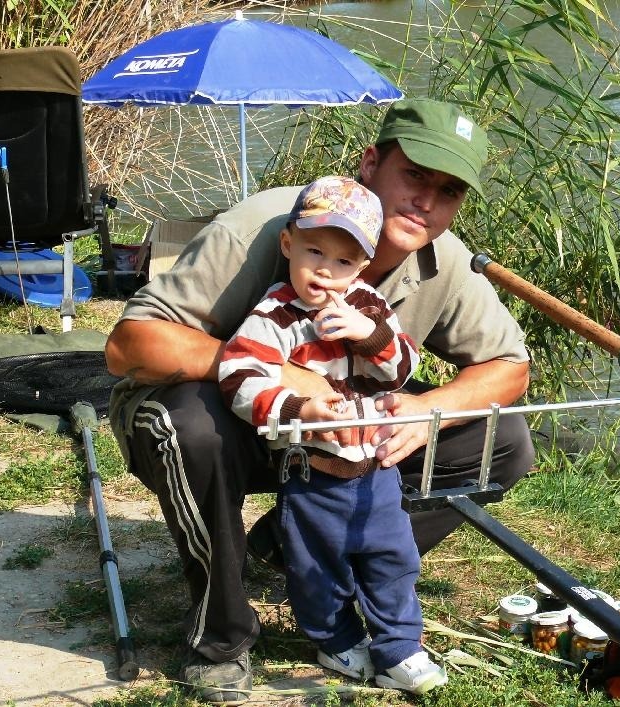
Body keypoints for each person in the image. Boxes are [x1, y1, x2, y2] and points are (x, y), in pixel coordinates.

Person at [105, 98, 533, 705]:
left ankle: (296, 548)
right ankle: (221, 635)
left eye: (450, 190)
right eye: (414, 175)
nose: (427, 202)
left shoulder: (446, 260)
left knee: (503, 440)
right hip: (232, 418)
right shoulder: (268, 223)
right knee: (190, 426)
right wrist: (283, 375)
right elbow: (128, 345)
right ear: (370, 162)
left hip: (333, 438)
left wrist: (432, 405)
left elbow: (510, 367)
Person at [218, 175, 445, 694]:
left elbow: (403, 370)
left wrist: (373, 337)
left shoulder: (366, 305)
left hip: (377, 468)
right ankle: (335, 639)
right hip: (310, 472)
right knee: (317, 568)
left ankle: (400, 648)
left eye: (343, 262)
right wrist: (299, 406)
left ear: (362, 266)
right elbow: (237, 379)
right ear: (287, 243)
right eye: (313, 250)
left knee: (394, 559)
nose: (325, 270)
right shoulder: (273, 315)